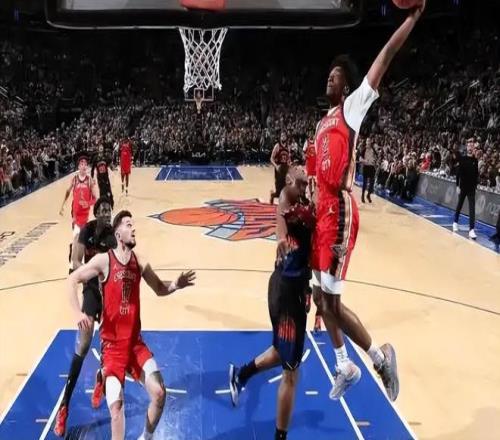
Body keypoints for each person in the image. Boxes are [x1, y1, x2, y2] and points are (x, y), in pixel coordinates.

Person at [312, 1, 426, 402]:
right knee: (320, 298)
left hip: (340, 212)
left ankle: (375, 358)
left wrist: (412, 18)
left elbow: (385, 56)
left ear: (346, 86)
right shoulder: (320, 123)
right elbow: (315, 177)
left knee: (332, 301)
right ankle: (350, 364)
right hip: (321, 215)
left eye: (335, 75)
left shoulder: (352, 107)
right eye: (328, 74)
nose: (329, 77)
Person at [67, 210, 195, 439]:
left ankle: (146, 437)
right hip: (112, 349)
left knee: (159, 393)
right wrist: (77, 313)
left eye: (133, 224)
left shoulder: (140, 262)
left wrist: (176, 285)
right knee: (117, 410)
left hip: (135, 345)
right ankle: (103, 374)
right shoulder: (104, 260)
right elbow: (72, 279)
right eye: (128, 224)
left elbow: (159, 288)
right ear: (118, 234)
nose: (133, 228)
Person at [229, 165, 314, 440]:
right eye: (299, 180)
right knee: (292, 372)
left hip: (290, 289)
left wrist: (310, 287)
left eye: (306, 182)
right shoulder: (287, 199)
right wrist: (279, 239)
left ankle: (241, 375)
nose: (303, 185)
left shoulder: (304, 201)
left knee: (281, 350)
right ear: (289, 180)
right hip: (287, 292)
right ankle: (280, 436)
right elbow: (281, 222)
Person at [54, 197, 115, 437]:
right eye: (103, 210)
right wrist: (91, 276)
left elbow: (115, 267)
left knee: (109, 341)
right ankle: (64, 407)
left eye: (109, 210)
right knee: (84, 343)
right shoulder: (86, 231)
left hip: (108, 291)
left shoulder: (112, 236)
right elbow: (76, 260)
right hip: (91, 288)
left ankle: (101, 377)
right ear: (96, 212)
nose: (106, 214)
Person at [59, 155, 99, 267]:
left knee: (84, 242)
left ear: (87, 166)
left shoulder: (90, 180)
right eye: (81, 164)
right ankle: (73, 265)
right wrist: (63, 205)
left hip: (86, 217)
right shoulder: (74, 179)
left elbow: (95, 198)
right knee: (76, 239)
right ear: (78, 166)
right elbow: (67, 191)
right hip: (76, 216)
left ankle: (81, 264)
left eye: (85, 164)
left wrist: (88, 203)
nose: (84, 166)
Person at [453, 138, 479, 239]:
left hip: (471, 188)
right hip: (463, 186)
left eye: (472, 146)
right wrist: (457, 186)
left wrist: (476, 186)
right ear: (467, 147)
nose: (470, 147)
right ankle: (455, 222)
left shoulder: (475, 161)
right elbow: (458, 174)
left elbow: (476, 175)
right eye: (469, 146)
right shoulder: (462, 159)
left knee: (472, 209)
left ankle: (471, 230)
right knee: (459, 204)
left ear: (473, 148)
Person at [270, 132, 291, 204]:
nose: (283, 137)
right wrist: (276, 166)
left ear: (286, 137)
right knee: (278, 192)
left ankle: (283, 204)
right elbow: (271, 158)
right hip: (279, 169)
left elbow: (289, 159)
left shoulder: (288, 146)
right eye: (282, 136)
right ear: (280, 137)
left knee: (285, 188)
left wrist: (290, 164)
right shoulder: (277, 146)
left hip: (285, 168)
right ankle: (272, 195)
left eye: (284, 136)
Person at [360, 137, 377, 203]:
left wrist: (375, 160)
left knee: (372, 182)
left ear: (371, 142)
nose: (368, 142)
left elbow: (376, 157)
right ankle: (362, 195)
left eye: (369, 141)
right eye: (367, 141)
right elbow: (360, 158)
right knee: (365, 182)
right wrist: (364, 160)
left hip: (372, 167)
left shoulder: (373, 149)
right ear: (366, 142)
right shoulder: (364, 149)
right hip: (366, 167)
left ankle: (368, 195)